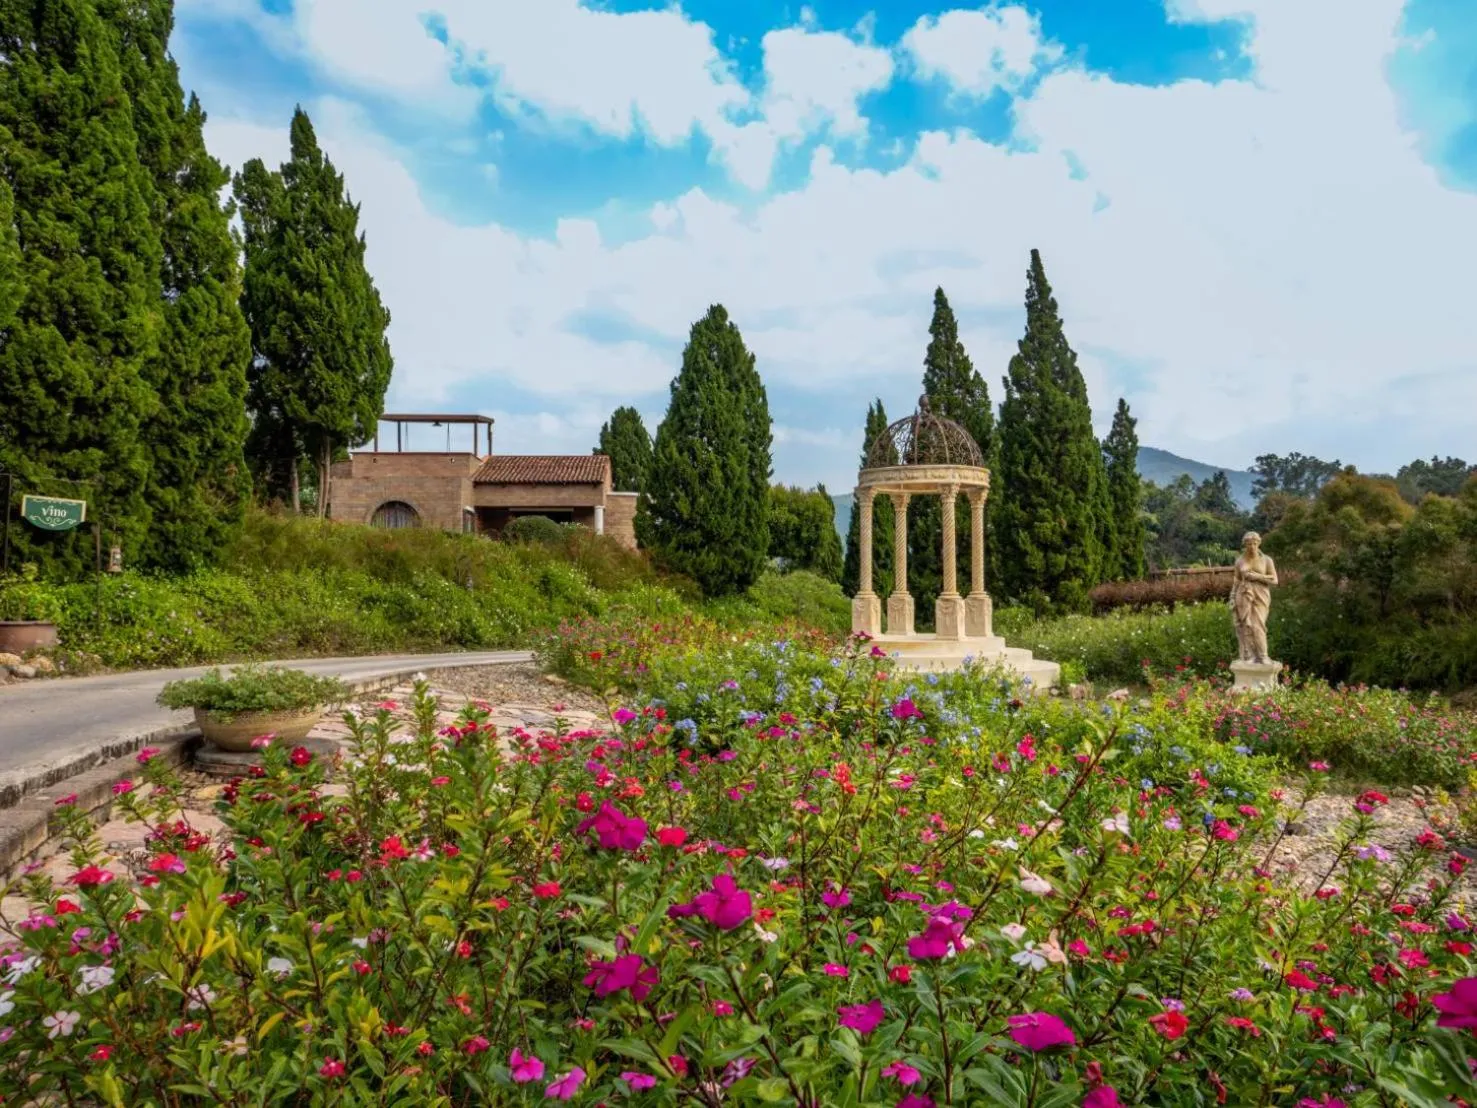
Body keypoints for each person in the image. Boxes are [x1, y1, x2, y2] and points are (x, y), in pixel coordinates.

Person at [1230, 531, 1278, 664]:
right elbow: (1236, 581)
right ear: (1245, 545)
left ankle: (1263, 655)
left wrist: (1257, 576)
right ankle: (1249, 655)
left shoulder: (1267, 560)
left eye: (1254, 543)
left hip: (1261, 594)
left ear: (1259, 543)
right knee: (1246, 624)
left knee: (1258, 624)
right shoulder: (1239, 561)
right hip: (1243, 594)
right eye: (1249, 544)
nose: (1252, 546)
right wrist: (1233, 597)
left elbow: (1275, 580)